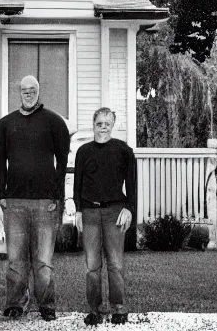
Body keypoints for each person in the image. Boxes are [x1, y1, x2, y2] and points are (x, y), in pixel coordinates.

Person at [0, 75, 70, 322]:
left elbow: (63, 161)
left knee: (43, 261)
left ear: (39, 91)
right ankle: (15, 304)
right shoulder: (6, 123)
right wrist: (2, 194)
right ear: (19, 92)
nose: (28, 93)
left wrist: (58, 196)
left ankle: (47, 306)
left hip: (44, 203)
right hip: (14, 201)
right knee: (15, 260)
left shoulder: (54, 122)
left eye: (32, 89)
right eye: (24, 90)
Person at [73, 108, 136, 326]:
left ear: (113, 125)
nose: (103, 127)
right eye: (99, 123)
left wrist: (129, 208)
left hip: (114, 213)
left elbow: (132, 183)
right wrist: (78, 210)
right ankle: (94, 309)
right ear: (93, 124)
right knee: (92, 265)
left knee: (116, 264)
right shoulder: (83, 152)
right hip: (90, 213)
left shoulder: (123, 151)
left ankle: (119, 308)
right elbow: (77, 185)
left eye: (107, 124)